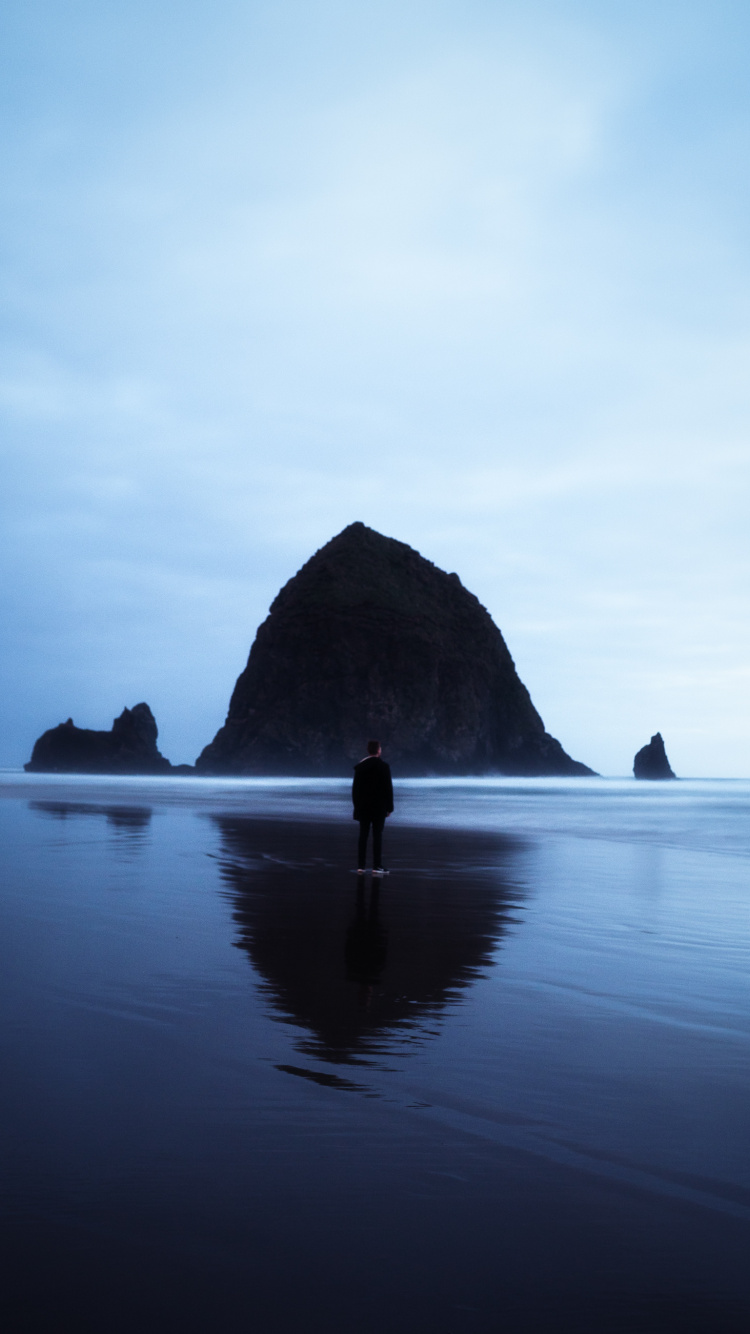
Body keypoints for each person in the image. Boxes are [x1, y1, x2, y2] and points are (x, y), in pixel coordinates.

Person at [352, 740, 394, 875]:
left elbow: (355, 790)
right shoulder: (384, 766)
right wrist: (390, 808)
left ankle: (361, 866)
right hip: (379, 807)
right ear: (378, 750)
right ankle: (376, 866)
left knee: (363, 836)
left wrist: (356, 806)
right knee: (377, 836)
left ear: (368, 750)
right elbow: (388, 788)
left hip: (363, 807)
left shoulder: (360, 767)